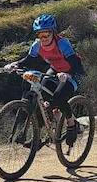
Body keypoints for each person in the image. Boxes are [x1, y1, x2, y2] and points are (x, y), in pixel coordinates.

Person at [5, 13, 85, 145]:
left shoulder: (63, 44)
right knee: (40, 97)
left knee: (58, 97)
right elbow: (29, 60)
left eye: (46, 35)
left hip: (73, 73)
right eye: (39, 35)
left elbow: (75, 64)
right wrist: (16, 64)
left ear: (53, 33)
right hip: (55, 70)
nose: (43, 38)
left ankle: (72, 124)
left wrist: (68, 75)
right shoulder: (37, 45)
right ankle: (37, 135)